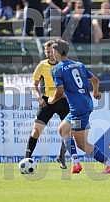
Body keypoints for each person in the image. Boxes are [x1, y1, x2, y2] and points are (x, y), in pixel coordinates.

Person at [48, 39, 110, 174]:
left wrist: (52, 100)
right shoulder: (79, 65)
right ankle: (75, 163)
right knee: (63, 129)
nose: (52, 54)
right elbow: (95, 80)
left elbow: (59, 91)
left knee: (81, 143)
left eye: (52, 51)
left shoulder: (57, 69)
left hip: (78, 109)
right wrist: (96, 92)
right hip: (84, 105)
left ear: (56, 52)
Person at [25, 40, 80, 171]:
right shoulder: (42, 65)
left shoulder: (64, 65)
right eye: (46, 50)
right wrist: (39, 98)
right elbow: (34, 84)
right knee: (36, 131)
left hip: (63, 101)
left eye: (51, 50)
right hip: (47, 101)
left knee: (68, 132)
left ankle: (61, 157)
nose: (48, 52)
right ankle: (27, 158)